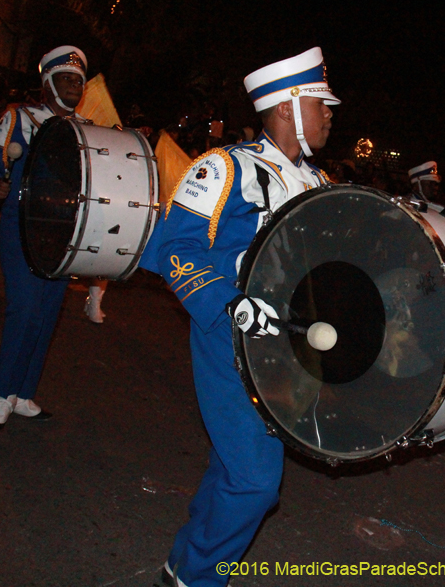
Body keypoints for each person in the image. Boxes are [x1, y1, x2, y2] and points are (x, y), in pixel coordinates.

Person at [139, 46, 339, 587]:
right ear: (288, 108)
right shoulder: (224, 168)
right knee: (255, 481)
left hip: (289, 348)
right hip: (232, 337)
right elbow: (174, 249)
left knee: (238, 465)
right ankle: (197, 577)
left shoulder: (320, 185)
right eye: (321, 103)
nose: (329, 115)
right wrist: (229, 303)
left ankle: (184, 562)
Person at [0, 45, 88, 433]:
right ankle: (2, 394)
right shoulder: (19, 119)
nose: (73, 85)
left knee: (47, 314)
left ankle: (23, 394)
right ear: (48, 82)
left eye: (78, 80)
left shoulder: (88, 129)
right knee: (23, 309)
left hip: (62, 235)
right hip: (20, 228)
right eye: (66, 78)